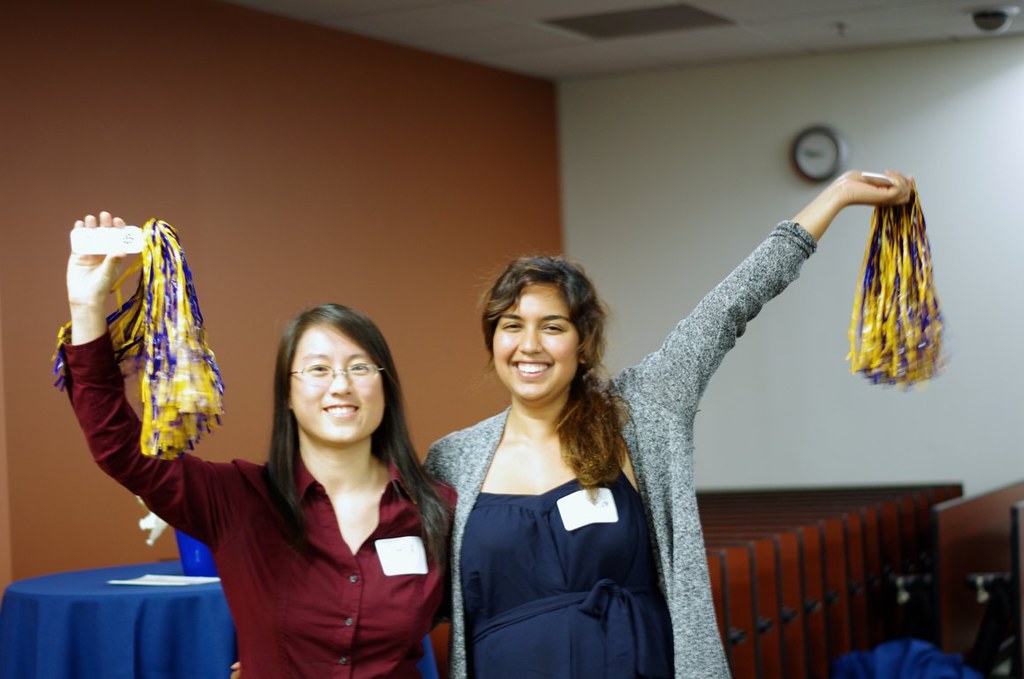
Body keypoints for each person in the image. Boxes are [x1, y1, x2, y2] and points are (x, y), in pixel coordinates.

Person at [425, 170, 915, 678]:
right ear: (492, 341)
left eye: (552, 327)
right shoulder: (453, 459)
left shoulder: (639, 414)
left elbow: (728, 308)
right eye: (512, 327)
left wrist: (836, 197)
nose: (530, 345)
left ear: (582, 342)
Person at [61, 212, 455, 678]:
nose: (341, 385)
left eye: (360, 367)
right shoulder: (238, 501)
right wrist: (87, 308)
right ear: (287, 394)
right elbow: (121, 450)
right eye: (318, 369)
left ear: (384, 387)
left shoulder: (438, 507)